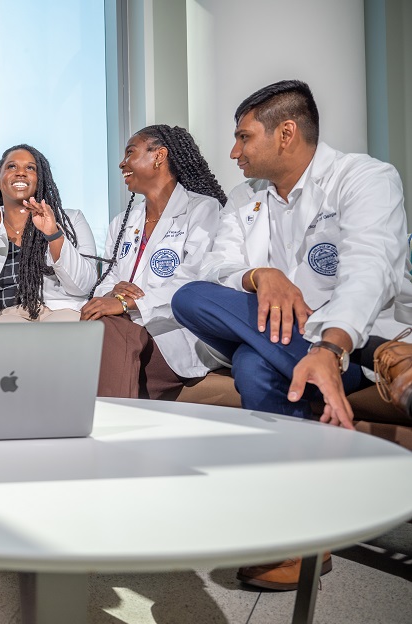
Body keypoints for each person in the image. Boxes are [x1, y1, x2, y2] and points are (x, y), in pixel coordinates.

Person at [170, 79, 412, 590]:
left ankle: (301, 539)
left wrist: (331, 345)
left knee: (255, 367)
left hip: (344, 345)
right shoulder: (244, 197)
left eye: (243, 138)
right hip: (316, 352)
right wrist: (261, 277)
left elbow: (372, 268)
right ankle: (385, 358)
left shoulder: (364, 177)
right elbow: (218, 265)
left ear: (285, 133)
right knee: (190, 298)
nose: (233, 152)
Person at [81, 125, 226, 399]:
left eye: (130, 153)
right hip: (126, 327)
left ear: (159, 156)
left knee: (110, 333)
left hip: (175, 331)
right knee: (102, 327)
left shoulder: (203, 210)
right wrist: (113, 294)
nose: (122, 163)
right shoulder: (123, 222)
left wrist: (127, 302)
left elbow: (194, 284)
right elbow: (108, 279)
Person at [0, 144, 98, 322]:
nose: (21, 172)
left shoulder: (72, 220)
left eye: (30, 168)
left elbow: (84, 286)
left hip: (62, 311)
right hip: (8, 315)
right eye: (12, 166)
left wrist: (53, 234)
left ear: (40, 180)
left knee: (64, 333)